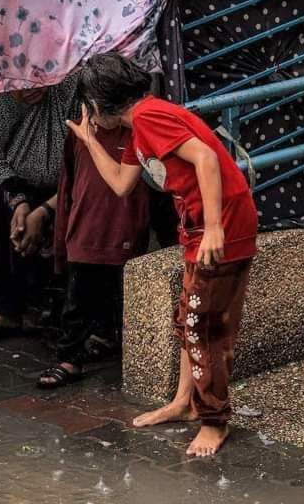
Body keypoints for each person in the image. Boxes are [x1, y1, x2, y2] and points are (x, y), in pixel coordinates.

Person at [64, 52, 258, 457]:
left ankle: (214, 420)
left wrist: (215, 228)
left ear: (97, 105)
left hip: (219, 228)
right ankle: (185, 402)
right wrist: (88, 139)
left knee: (202, 326)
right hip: (199, 230)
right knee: (189, 316)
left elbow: (205, 158)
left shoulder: (150, 117)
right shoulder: (139, 128)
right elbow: (120, 183)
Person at [33, 106, 150, 389]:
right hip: (84, 228)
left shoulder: (137, 131)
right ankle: (69, 359)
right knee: (77, 301)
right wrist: (63, 234)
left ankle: (120, 350)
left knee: (124, 301)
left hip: (124, 230)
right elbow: (68, 184)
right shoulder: (76, 132)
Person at [0, 81, 77, 346]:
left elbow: (83, 165)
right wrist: (20, 203)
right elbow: (0, 159)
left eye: (39, 78)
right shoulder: (4, 95)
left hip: (68, 185)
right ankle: (5, 311)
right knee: (1, 205)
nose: (30, 87)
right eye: (23, 82)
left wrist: (43, 210)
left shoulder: (72, 87)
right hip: (20, 186)